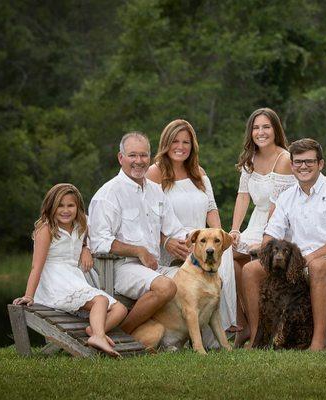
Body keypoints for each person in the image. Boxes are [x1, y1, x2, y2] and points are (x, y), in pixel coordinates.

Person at [241, 138, 326, 350]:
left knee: (317, 268)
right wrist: (265, 252)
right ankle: (258, 340)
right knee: (251, 270)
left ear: (321, 164)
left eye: (309, 161)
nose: (303, 166)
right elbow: (271, 233)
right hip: (298, 262)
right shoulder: (287, 197)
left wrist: (309, 258)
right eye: (298, 162)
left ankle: (319, 342)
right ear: (292, 165)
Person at [146, 119, 237, 340]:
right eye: (175, 141)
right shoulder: (155, 173)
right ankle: (210, 337)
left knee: (226, 250)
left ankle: (223, 328)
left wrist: (220, 238)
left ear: (193, 145)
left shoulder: (199, 172)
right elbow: (147, 219)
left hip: (201, 239)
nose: (180, 146)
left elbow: (212, 209)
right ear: (165, 143)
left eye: (186, 142)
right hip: (172, 242)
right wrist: (166, 240)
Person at [88, 132, 186, 335]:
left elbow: (175, 230)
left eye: (143, 156)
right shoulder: (108, 194)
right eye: (132, 155)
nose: (139, 161)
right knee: (166, 287)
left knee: (192, 281)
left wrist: (203, 241)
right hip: (120, 269)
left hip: (154, 268)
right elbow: (99, 242)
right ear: (120, 157)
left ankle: (174, 337)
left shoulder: (156, 191)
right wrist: (138, 250)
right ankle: (123, 333)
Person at [13, 183, 127, 357]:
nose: (65, 210)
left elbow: (91, 237)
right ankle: (98, 336)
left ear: (77, 207)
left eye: (70, 205)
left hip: (74, 277)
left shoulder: (82, 224)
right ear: (51, 206)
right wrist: (29, 296)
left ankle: (95, 330)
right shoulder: (46, 229)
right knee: (100, 301)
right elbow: (37, 265)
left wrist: (85, 248)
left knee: (120, 309)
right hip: (55, 281)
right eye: (60, 205)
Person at [230, 107, 295, 346]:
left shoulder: (284, 159)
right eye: (256, 127)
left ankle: (257, 330)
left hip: (279, 226)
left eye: (266, 126)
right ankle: (243, 323)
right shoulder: (250, 158)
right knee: (229, 259)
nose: (261, 132)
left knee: (246, 262)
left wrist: (265, 240)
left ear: (275, 129)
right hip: (256, 221)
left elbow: (277, 207)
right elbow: (243, 196)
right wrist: (235, 230)